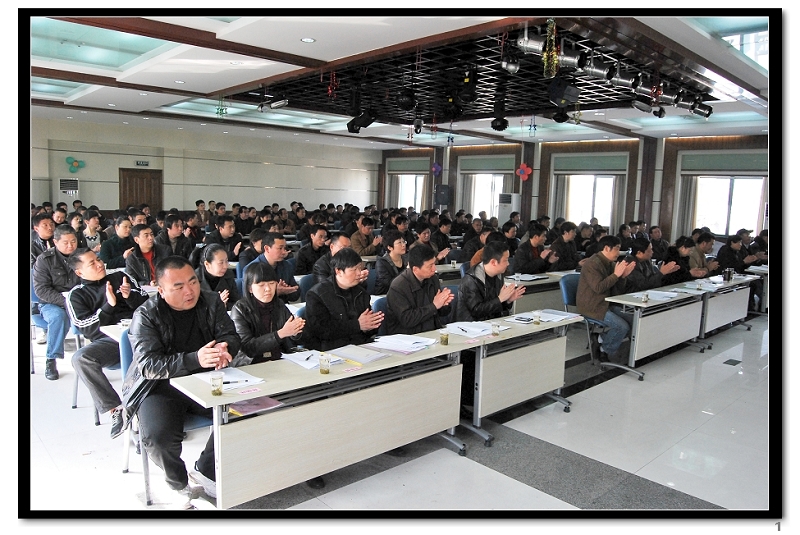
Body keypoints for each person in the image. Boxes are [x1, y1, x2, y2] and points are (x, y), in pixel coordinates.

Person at [122, 256, 244, 507]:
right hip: (160, 386)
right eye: (178, 287)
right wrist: (195, 358)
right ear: (161, 290)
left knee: (246, 410)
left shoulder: (211, 301)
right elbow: (148, 365)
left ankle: (205, 470)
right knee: (159, 438)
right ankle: (177, 482)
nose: (190, 291)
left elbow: (231, 334)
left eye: (193, 282)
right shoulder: (146, 315)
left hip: (207, 379)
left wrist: (225, 347)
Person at [66, 249, 149, 438]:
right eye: (92, 264)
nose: (99, 264)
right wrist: (108, 306)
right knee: (81, 358)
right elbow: (87, 328)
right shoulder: (76, 295)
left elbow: (148, 303)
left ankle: (156, 415)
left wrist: (129, 297)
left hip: (140, 335)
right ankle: (116, 409)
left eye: (98, 259)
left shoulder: (120, 277)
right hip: (111, 342)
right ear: (79, 272)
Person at [456, 241, 525, 408]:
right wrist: (501, 299)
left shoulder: (498, 276)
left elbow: (496, 305)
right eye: (506, 260)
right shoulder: (471, 280)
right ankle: (470, 403)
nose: (508, 264)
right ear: (494, 262)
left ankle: (494, 395)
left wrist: (508, 301)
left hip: (489, 326)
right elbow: (476, 311)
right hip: (470, 330)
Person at [304, 248, 383, 351]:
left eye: (360, 268)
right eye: (354, 270)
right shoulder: (317, 295)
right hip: (331, 349)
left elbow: (368, 327)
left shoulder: (361, 292)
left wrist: (372, 325)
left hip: (360, 346)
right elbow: (322, 331)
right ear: (338, 271)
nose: (359, 273)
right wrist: (357, 325)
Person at [576, 235, 636, 361]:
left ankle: (600, 339)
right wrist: (616, 275)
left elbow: (618, 291)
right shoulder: (592, 264)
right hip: (592, 307)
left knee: (634, 321)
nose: (619, 253)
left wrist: (622, 277)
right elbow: (598, 288)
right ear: (607, 248)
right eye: (617, 248)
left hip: (606, 303)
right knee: (621, 326)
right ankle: (604, 350)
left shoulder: (609, 263)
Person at [230, 262, 305, 363]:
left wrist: (296, 331)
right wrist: (280, 334)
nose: (268, 289)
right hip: (251, 363)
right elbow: (247, 347)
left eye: (272, 283)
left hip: (280, 359)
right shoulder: (240, 309)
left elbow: (296, 339)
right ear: (250, 288)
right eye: (261, 285)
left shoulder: (279, 304)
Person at [32, 225, 81, 380]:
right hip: (51, 302)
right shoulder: (44, 260)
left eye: (73, 241)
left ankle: (98, 355)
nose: (70, 246)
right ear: (55, 242)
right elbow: (41, 290)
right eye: (65, 242)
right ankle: (51, 359)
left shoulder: (83, 256)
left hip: (79, 300)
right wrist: (66, 301)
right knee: (58, 317)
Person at [385, 244, 453, 335]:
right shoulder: (398, 286)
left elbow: (440, 313)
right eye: (430, 266)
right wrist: (434, 306)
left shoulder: (433, 279)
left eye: (434, 263)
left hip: (431, 331)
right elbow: (407, 320)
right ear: (416, 269)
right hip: (407, 336)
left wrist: (444, 304)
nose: (434, 269)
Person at [254, 233, 300, 303]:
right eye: (280, 248)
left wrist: (286, 291)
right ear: (267, 249)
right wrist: (275, 292)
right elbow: (251, 300)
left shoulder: (287, 265)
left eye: (284, 248)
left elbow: (296, 294)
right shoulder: (253, 269)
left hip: (282, 306)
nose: (284, 252)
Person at [194, 243, 240, 311]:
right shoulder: (195, 279)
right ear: (207, 264)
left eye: (226, 261)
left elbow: (236, 303)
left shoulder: (228, 275)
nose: (225, 266)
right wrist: (216, 304)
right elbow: (194, 308)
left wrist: (224, 306)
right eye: (221, 263)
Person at [373, 229, 407, 295]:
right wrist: (407, 271)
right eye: (399, 243)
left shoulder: (406, 258)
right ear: (389, 247)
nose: (403, 245)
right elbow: (389, 283)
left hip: (403, 294)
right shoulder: (382, 263)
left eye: (404, 242)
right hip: (385, 295)